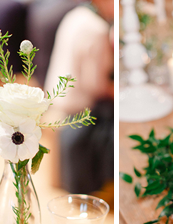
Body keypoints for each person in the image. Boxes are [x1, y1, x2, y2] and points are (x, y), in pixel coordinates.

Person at [44, 0, 114, 194]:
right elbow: (96, 86)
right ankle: (100, 187)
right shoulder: (98, 28)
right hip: (77, 106)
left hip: (54, 95)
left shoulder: (75, 15)